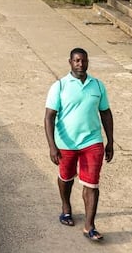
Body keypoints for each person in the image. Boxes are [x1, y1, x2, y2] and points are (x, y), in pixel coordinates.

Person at [45, 48, 115, 242]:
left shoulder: (98, 86)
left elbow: (106, 113)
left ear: (88, 62)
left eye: (83, 61)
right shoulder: (59, 86)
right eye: (76, 61)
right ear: (70, 62)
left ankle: (89, 226)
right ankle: (66, 207)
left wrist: (110, 141)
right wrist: (52, 146)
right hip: (66, 142)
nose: (80, 64)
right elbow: (49, 117)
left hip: (92, 141)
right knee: (66, 177)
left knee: (92, 183)